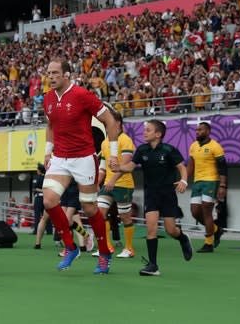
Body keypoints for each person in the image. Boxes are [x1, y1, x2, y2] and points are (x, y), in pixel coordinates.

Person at [41, 58, 119, 275]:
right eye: (49, 73)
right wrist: (48, 152)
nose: (51, 77)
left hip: (84, 158)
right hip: (60, 158)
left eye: (56, 73)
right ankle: (71, 247)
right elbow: (50, 126)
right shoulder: (47, 98)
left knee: (89, 208)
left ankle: (104, 252)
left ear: (66, 74)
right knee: (49, 200)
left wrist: (112, 154)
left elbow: (110, 120)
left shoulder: (82, 95)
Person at [116, 120, 193, 276]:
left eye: (148, 130)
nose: (144, 132)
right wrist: (118, 167)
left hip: (168, 195)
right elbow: (130, 167)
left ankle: (183, 238)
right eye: (144, 130)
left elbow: (182, 167)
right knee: (151, 229)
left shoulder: (169, 150)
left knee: (170, 230)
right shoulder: (142, 150)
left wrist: (184, 181)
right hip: (151, 194)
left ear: (158, 134)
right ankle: (153, 266)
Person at [97, 108, 137, 259]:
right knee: (99, 215)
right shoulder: (105, 142)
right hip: (107, 185)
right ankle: (107, 247)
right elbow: (102, 166)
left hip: (123, 184)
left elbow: (126, 165)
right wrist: (97, 182)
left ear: (118, 123)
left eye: (108, 121)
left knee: (125, 216)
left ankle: (129, 248)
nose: (106, 124)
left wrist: (113, 180)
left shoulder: (125, 140)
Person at [187, 122, 227, 253]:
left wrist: (222, 185)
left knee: (206, 211)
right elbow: (190, 166)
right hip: (197, 182)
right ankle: (216, 230)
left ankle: (208, 243)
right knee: (195, 212)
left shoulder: (215, 146)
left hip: (211, 181)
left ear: (208, 131)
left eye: (201, 130)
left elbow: (223, 167)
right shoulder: (193, 146)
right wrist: (183, 180)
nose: (197, 132)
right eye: (197, 130)